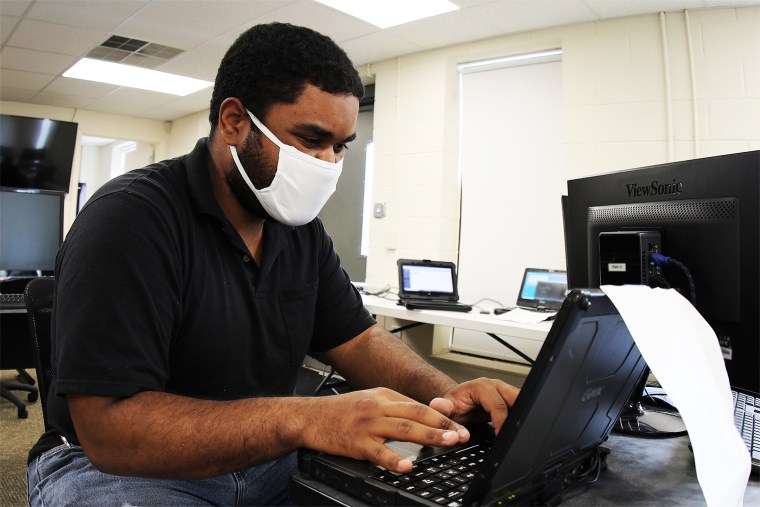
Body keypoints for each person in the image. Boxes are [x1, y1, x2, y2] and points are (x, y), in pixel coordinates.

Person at [27, 22, 520, 506]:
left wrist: (452, 395)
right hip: (120, 471)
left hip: (267, 456)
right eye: (310, 139)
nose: (328, 164)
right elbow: (110, 432)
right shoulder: (131, 219)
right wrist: (307, 417)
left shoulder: (300, 231)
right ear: (234, 122)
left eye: (339, 146)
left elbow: (361, 340)